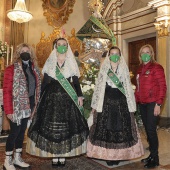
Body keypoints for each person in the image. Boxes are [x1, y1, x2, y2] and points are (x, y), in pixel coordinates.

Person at [26, 38, 89, 167]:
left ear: (67, 47)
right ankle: (55, 155)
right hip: (51, 100)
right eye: (59, 45)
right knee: (52, 128)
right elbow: (45, 83)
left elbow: (76, 82)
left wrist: (80, 96)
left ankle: (62, 155)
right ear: (55, 46)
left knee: (65, 127)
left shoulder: (71, 62)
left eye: (64, 45)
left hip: (67, 100)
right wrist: (39, 98)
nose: (61, 47)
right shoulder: (50, 62)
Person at [87, 46, 144, 166]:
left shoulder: (123, 68)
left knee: (119, 128)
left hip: (121, 103)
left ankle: (118, 155)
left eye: (116, 53)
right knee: (107, 128)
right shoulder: (104, 69)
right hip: (106, 103)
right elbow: (98, 88)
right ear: (109, 56)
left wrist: (131, 105)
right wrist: (95, 105)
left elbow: (128, 88)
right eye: (112, 53)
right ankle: (108, 156)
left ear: (120, 55)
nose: (114, 56)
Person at [3, 43, 41, 170]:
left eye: (28, 51)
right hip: (16, 107)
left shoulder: (34, 69)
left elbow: (36, 88)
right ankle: (7, 161)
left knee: (21, 134)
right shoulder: (11, 69)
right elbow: (7, 91)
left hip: (29, 106)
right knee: (14, 132)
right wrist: (9, 110)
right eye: (23, 51)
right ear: (18, 53)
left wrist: (34, 105)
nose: (25, 53)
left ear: (31, 54)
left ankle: (17, 158)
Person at [135, 44, 167, 169]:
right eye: (143, 52)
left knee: (151, 131)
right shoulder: (139, 69)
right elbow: (138, 88)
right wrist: (135, 100)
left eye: (147, 52)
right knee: (147, 130)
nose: (145, 54)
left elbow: (162, 87)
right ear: (140, 55)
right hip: (142, 104)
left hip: (153, 103)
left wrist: (158, 104)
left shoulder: (157, 67)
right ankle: (151, 155)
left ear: (152, 53)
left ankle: (156, 159)